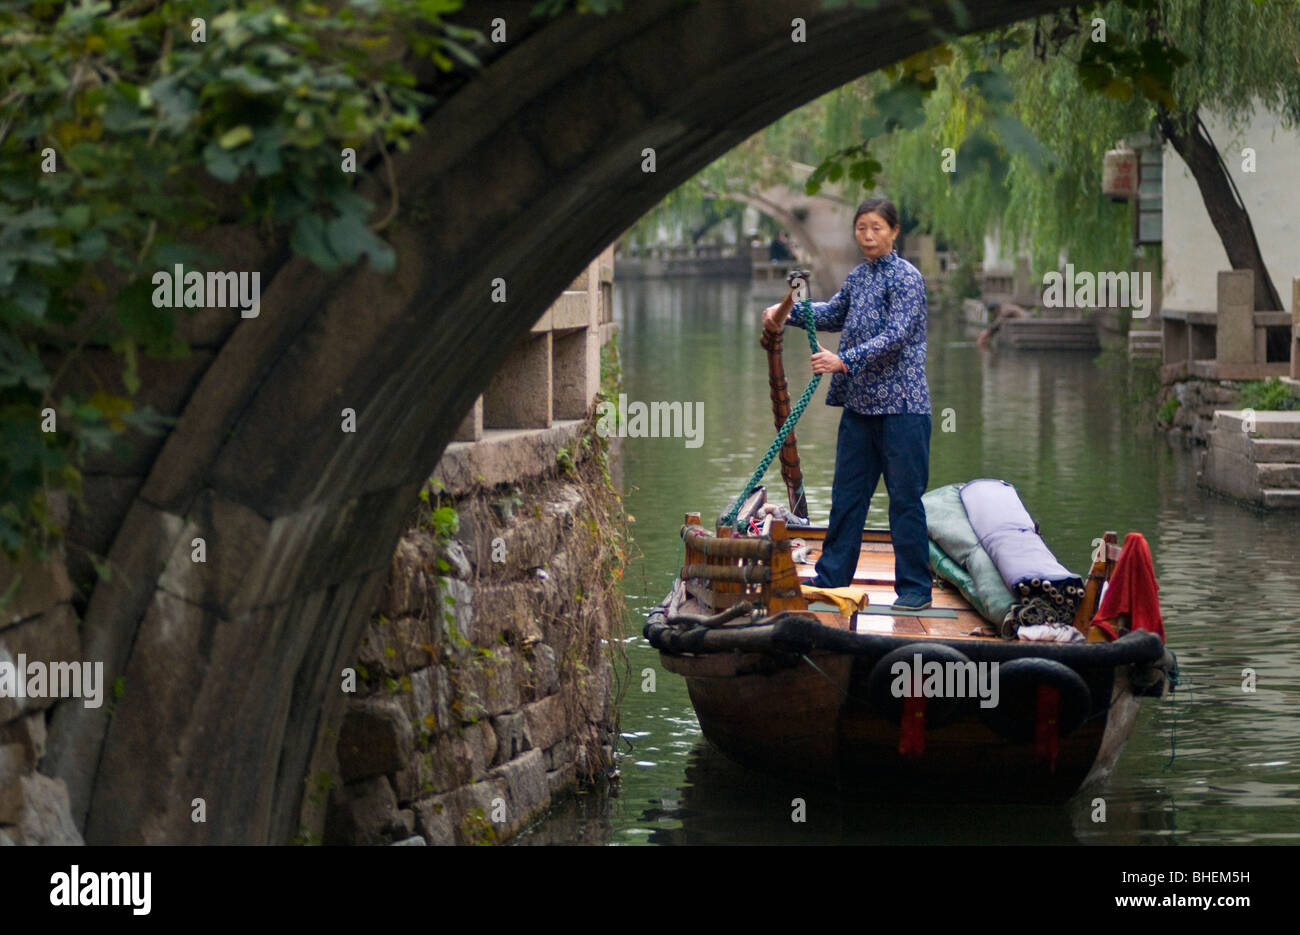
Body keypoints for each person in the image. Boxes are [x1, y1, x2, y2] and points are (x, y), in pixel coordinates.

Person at [761, 197, 933, 610]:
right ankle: (831, 577)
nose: (869, 235)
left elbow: (895, 336)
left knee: (905, 500)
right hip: (860, 407)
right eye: (861, 228)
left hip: (902, 409)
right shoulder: (859, 278)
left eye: (876, 228)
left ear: (893, 232)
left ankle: (914, 591)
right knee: (847, 497)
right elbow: (832, 313)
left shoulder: (907, 279)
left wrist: (843, 360)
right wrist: (786, 312)